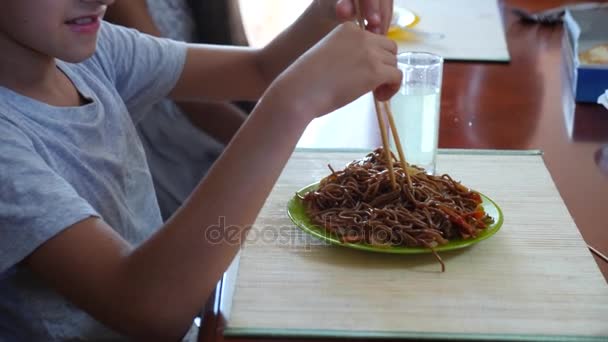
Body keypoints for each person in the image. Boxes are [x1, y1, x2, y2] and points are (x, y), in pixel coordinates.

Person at [0, 0, 399, 340]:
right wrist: (290, 104)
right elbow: (145, 307)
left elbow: (260, 70)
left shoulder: (93, 53)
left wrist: (329, 10)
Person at [105, 0, 249, 220]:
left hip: (203, 116)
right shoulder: (122, 7)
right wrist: (273, 141)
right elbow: (187, 96)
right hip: (167, 135)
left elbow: (258, 67)